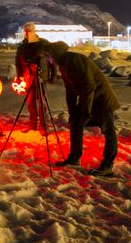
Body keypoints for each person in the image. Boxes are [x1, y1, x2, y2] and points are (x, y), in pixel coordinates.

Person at [45, 41, 120, 176]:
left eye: (49, 56)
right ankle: (74, 158)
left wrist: (86, 111)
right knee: (76, 124)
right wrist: (73, 112)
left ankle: (108, 165)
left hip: (101, 99)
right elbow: (70, 90)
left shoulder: (75, 60)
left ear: (56, 54)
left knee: (108, 131)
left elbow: (89, 86)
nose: (48, 59)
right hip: (89, 99)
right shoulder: (63, 65)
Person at [14, 22, 57, 131]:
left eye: (29, 31)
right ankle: (33, 125)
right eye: (26, 31)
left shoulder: (43, 44)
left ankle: (44, 126)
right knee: (30, 102)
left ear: (34, 31)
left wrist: (54, 74)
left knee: (42, 102)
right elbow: (18, 63)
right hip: (28, 78)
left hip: (42, 77)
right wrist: (20, 77)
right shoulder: (23, 46)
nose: (27, 33)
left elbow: (52, 60)